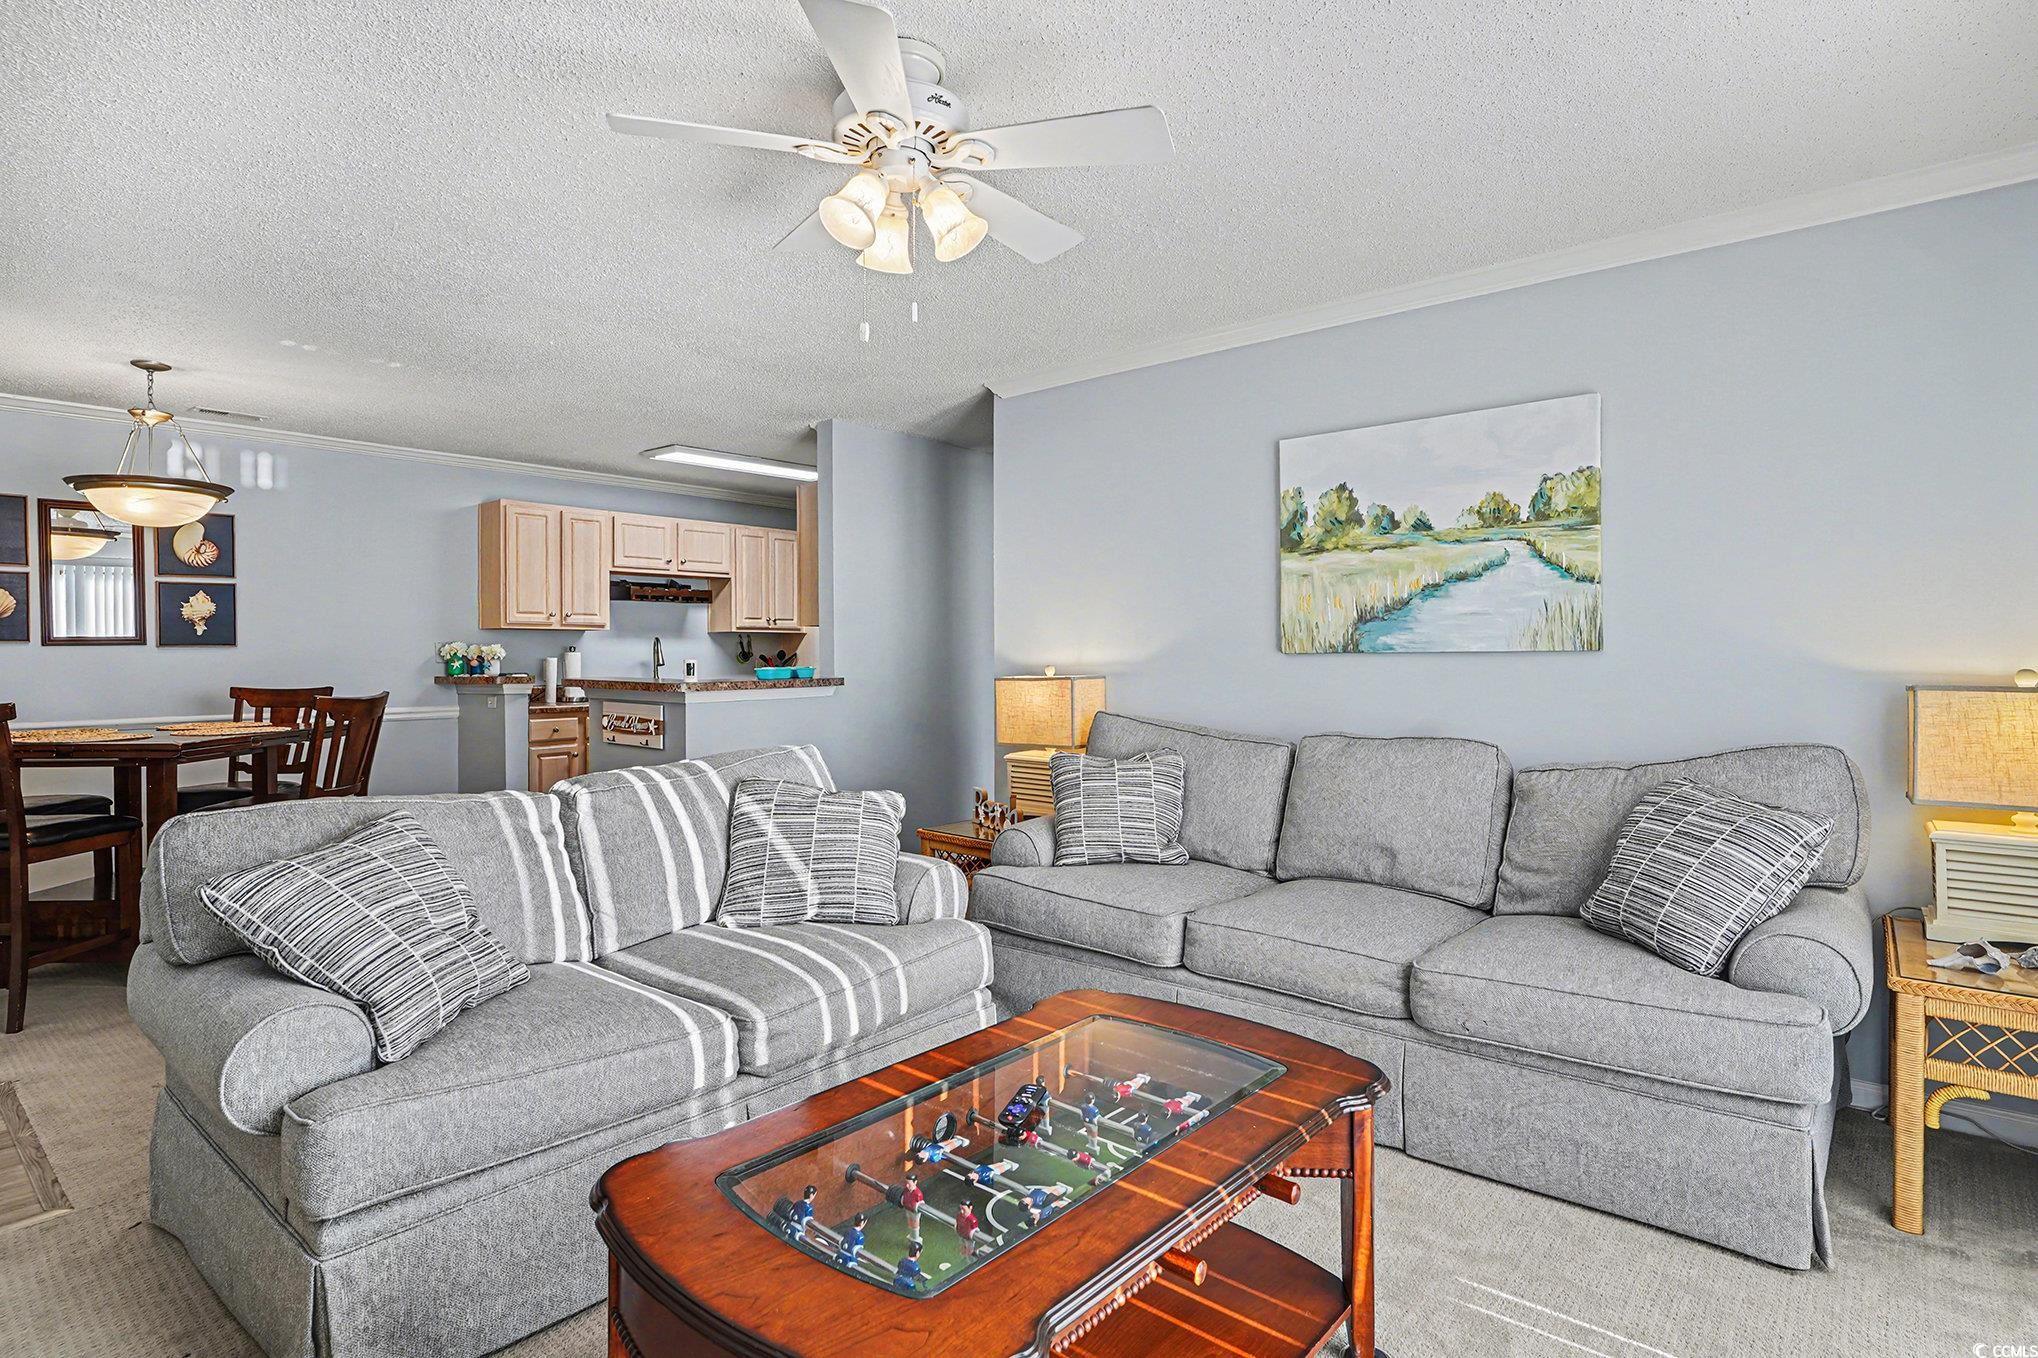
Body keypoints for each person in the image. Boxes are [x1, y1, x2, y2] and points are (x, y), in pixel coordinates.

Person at [900, 1171, 925, 1242]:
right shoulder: (906, 1190)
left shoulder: (918, 1194)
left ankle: (915, 1237)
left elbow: (917, 1203)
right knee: (910, 1221)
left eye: (909, 1184)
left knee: (915, 1222)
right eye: (906, 1183)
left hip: (914, 1212)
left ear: (915, 1182)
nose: (907, 1185)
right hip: (908, 1209)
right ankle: (912, 1235)